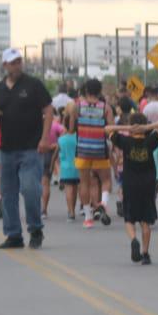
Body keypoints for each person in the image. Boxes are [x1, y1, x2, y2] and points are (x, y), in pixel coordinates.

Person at [0, 47, 54, 250]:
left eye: (18, 61)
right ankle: (14, 234)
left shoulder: (33, 85)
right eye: (12, 62)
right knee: (8, 194)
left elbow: (48, 109)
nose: (16, 65)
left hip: (31, 148)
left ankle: (35, 228)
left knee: (30, 188)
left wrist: (44, 138)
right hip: (7, 149)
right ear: (5, 65)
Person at [109, 113, 158, 265]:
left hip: (130, 183)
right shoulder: (152, 140)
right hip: (147, 184)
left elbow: (107, 128)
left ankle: (134, 239)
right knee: (145, 220)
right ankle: (145, 254)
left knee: (129, 218)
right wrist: (147, 127)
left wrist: (128, 128)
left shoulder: (125, 141)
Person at [67, 78, 115, 228]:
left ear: (86, 90)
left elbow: (71, 129)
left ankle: (88, 217)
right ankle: (103, 203)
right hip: (100, 149)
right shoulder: (106, 108)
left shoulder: (77, 106)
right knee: (106, 180)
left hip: (82, 149)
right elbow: (111, 130)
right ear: (100, 91)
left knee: (84, 183)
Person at [58, 118, 81, 222]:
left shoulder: (61, 139)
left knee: (68, 189)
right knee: (75, 189)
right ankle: (73, 210)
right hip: (77, 166)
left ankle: (70, 211)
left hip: (65, 167)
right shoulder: (79, 138)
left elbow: (57, 154)